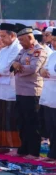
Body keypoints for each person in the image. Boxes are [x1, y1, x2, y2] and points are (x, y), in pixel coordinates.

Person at [11, 24, 47, 159]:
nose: (20, 43)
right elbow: (13, 63)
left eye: (22, 40)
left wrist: (19, 67)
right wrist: (16, 65)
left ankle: (33, 151)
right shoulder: (23, 51)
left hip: (32, 92)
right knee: (22, 122)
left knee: (32, 123)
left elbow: (33, 68)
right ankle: (23, 148)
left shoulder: (39, 51)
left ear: (29, 37)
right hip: (20, 91)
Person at [0, 23, 22, 153]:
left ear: (12, 35)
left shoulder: (17, 48)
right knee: (0, 117)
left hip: (11, 89)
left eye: (3, 36)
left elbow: (7, 68)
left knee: (10, 118)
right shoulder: (3, 50)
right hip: (0, 88)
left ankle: (13, 146)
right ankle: (2, 145)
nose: (0, 39)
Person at [39, 28, 56, 162]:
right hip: (49, 96)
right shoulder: (52, 55)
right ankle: (52, 153)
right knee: (50, 126)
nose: (54, 43)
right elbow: (43, 70)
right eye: (53, 40)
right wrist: (42, 71)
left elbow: (51, 72)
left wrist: (47, 73)